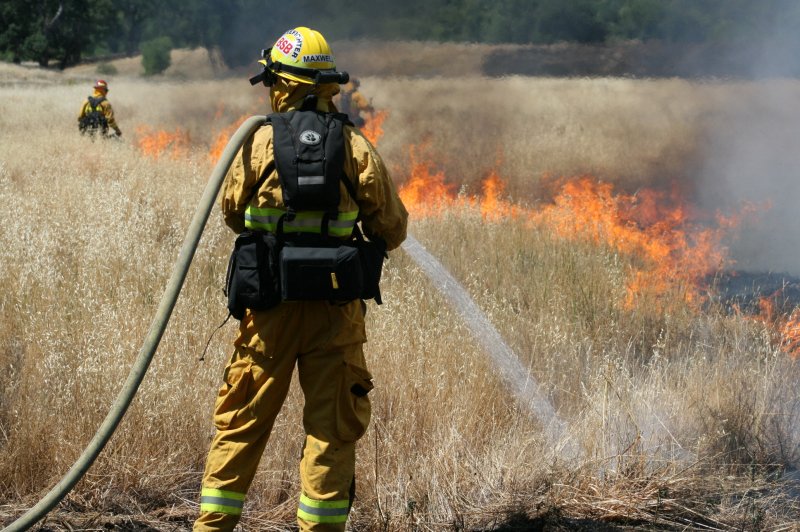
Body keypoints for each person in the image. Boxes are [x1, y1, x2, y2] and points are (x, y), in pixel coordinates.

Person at [194, 26, 408, 532]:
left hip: (269, 309)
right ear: (328, 84)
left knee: (241, 424)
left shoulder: (257, 142)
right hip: (336, 314)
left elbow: (230, 211)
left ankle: (212, 527)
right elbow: (392, 228)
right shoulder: (355, 146)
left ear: (281, 84)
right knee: (331, 431)